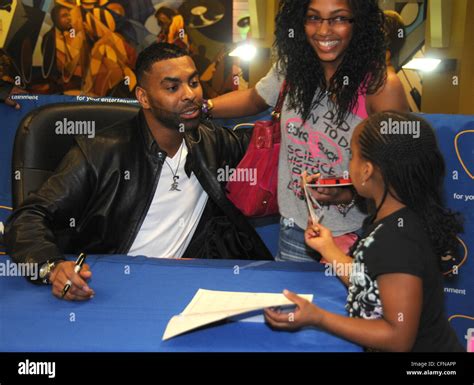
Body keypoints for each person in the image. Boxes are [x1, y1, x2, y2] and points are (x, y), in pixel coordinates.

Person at [4, 43, 272, 301]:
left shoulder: (213, 143)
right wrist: (52, 267)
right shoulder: (99, 153)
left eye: (193, 82)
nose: (189, 94)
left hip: (185, 289)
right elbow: (28, 217)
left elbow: (274, 149)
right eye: (172, 87)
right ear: (143, 97)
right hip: (106, 289)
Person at [206, 0, 410, 263]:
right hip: (296, 228)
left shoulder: (381, 86)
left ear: (359, 24)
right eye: (314, 18)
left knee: (347, 304)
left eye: (338, 19)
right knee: (292, 304)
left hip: (357, 232)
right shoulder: (293, 67)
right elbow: (254, 99)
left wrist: (347, 193)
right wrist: (202, 107)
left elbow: (399, 177)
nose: (324, 30)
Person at [264, 112, 464, 352]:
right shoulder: (394, 218)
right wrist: (327, 247)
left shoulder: (397, 239)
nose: (349, 165)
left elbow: (398, 338)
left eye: (352, 156)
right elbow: (371, 282)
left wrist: (318, 318)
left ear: (367, 170)